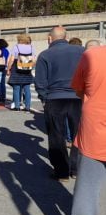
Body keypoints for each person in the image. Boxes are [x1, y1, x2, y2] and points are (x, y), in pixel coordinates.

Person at [35, 26, 84, 182]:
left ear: (50, 38)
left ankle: (62, 171)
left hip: (54, 98)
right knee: (78, 135)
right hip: (77, 97)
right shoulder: (81, 51)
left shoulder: (45, 55)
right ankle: (76, 169)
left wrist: (44, 98)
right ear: (66, 37)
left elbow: (40, 81)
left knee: (56, 135)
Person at [70, 45, 106, 215]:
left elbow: (78, 89)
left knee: (87, 187)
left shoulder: (92, 55)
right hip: (95, 128)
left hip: (95, 129)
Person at [7, 34, 35, 111]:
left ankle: (17, 107)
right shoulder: (31, 47)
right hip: (27, 70)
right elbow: (34, 60)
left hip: (17, 69)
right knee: (27, 88)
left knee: (16, 88)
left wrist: (8, 69)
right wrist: (30, 67)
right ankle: (27, 107)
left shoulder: (16, 47)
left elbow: (12, 59)